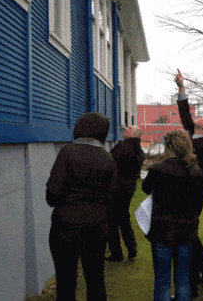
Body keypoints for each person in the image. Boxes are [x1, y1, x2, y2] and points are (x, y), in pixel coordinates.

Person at [46, 112, 118, 301]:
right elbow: (112, 200)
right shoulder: (108, 158)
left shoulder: (68, 152)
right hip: (97, 226)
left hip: (66, 226)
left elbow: (52, 194)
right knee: (96, 280)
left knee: (65, 281)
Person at [142, 129, 203, 301]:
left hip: (161, 230)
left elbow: (146, 188)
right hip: (187, 230)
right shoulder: (195, 172)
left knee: (162, 281)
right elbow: (199, 204)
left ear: (167, 147)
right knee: (183, 279)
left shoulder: (158, 170)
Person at [175, 69, 203, 297]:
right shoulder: (197, 136)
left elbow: (197, 176)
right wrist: (181, 89)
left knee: (186, 235)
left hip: (191, 197)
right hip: (187, 194)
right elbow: (185, 116)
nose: (199, 118)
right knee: (188, 235)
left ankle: (199, 276)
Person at [106, 125, 145, 261]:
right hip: (129, 187)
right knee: (124, 217)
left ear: (134, 134)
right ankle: (131, 248)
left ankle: (116, 253)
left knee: (112, 221)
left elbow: (109, 162)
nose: (125, 130)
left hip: (116, 188)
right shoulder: (139, 150)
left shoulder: (122, 147)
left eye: (128, 129)